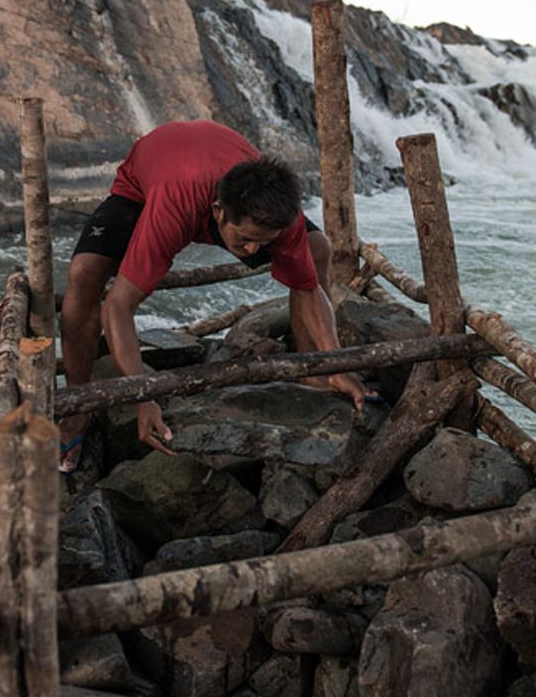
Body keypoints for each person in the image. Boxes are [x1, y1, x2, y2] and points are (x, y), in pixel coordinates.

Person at [57, 119, 368, 473]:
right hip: (152, 181)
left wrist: (339, 364)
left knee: (316, 249)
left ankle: (314, 372)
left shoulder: (283, 216)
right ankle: (76, 408)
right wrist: (143, 397)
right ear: (218, 212)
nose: (253, 251)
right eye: (247, 239)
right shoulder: (175, 204)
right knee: (84, 274)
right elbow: (118, 306)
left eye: (264, 242)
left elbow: (308, 287)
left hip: (213, 165)